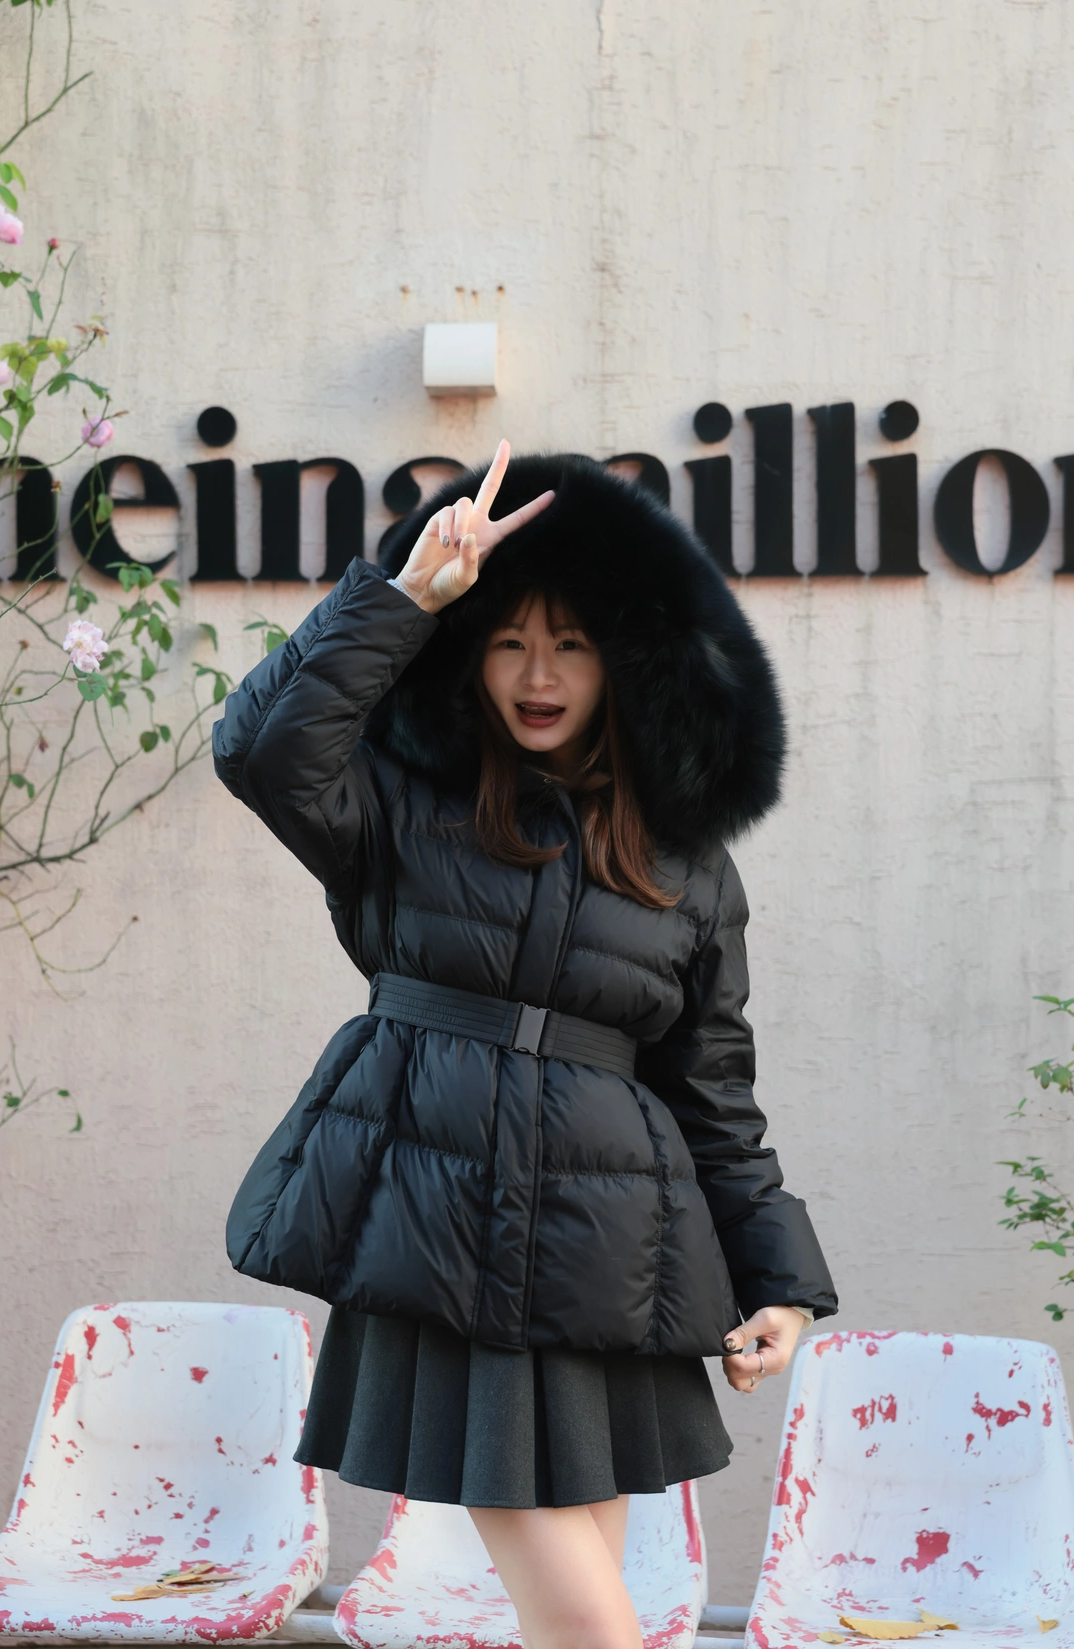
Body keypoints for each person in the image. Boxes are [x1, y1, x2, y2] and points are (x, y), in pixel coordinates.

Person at [212, 439, 837, 1649]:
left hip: (611, 1244)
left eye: (571, 643)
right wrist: (401, 598)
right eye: (507, 640)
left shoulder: (686, 860)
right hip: (438, 1213)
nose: (537, 674)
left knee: (575, 1610)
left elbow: (711, 1089)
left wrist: (779, 1279)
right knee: (591, 1624)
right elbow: (261, 749)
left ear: (627, 660)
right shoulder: (401, 797)